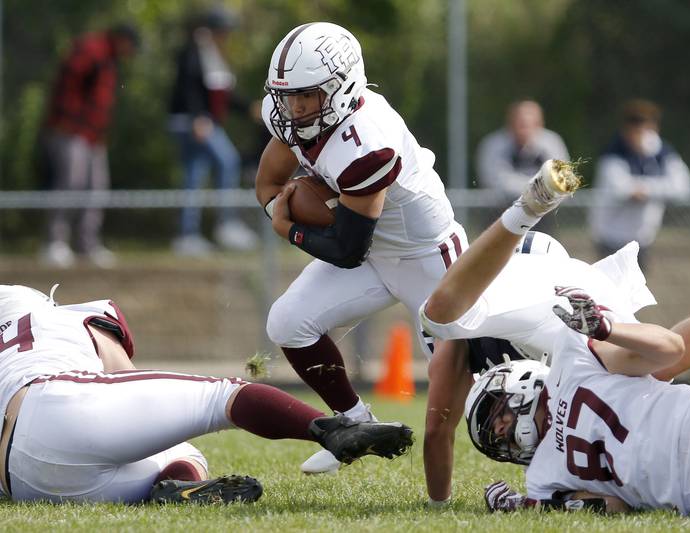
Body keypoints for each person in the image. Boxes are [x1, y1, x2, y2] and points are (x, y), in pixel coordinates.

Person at [418, 159, 690, 505]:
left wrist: (439, 505)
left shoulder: (471, 326)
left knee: (437, 317)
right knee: (645, 374)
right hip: (585, 290)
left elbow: (437, 431)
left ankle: (528, 207)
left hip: (544, 287)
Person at [256, 22, 468, 474]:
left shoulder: (367, 141)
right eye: (287, 96)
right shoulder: (296, 117)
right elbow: (268, 183)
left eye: (306, 96)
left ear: (341, 87)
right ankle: (353, 425)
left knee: (467, 389)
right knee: (288, 323)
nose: (294, 109)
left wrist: (289, 228)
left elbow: (347, 248)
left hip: (426, 258)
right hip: (373, 254)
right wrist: (287, 205)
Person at [0, 284, 413, 503]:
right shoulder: (63, 318)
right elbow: (120, 373)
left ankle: (176, 493)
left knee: (179, 453)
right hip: (58, 405)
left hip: (18, 480)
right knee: (221, 398)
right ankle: (329, 429)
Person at [469, 277, 690, 518]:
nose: (499, 433)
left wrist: (606, 329)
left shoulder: (572, 359)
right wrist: (527, 506)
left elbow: (671, 349)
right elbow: (611, 506)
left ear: (515, 382)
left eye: (495, 415)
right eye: (492, 439)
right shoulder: (540, 479)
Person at [39, 23, 140, 269]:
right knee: (70, 184)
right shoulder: (92, 50)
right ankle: (55, 243)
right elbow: (67, 87)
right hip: (71, 131)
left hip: (94, 136)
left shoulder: (110, 59)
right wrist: (67, 122)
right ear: (122, 39)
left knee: (97, 187)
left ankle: (88, 243)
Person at [168, 7, 260, 256]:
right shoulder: (195, 50)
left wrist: (249, 108)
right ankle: (226, 224)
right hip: (193, 122)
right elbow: (189, 87)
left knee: (194, 176)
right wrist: (198, 117)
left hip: (199, 122)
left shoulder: (209, 53)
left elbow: (221, 94)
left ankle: (188, 236)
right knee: (227, 161)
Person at [588, 99, 690, 271]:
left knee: (636, 294)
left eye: (646, 126)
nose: (641, 133)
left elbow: (682, 188)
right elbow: (623, 190)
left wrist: (645, 188)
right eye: (635, 127)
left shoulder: (662, 153)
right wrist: (658, 188)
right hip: (611, 238)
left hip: (641, 239)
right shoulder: (613, 154)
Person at [475, 100, 569, 197]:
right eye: (521, 123)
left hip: (547, 207)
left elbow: (561, 179)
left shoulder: (552, 142)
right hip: (502, 208)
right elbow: (494, 181)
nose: (524, 129)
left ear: (540, 124)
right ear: (510, 123)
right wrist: (536, 189)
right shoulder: (493, 145)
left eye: (530, 123)